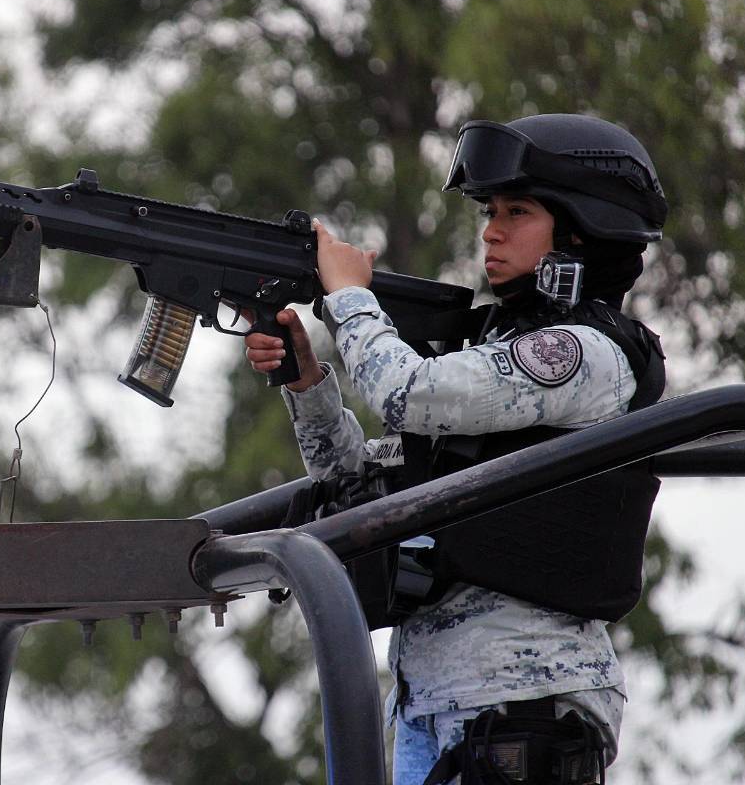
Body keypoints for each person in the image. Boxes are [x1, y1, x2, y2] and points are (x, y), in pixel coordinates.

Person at [245, 114, 669, 784]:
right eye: (490, 212)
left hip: (519, 703)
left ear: (581, 231)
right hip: (434, 702)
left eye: (517, 212)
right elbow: (359, 485)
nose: (491, 231)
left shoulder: (583, 353)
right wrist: (307, 382)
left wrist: (349, 295)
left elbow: (405, 393)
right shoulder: (497, 354)